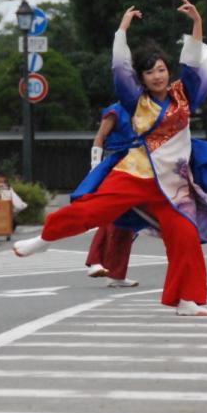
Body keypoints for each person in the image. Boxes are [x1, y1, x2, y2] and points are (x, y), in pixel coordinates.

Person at [13, 0, 207, 316]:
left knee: (185, 237)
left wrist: (196, 23)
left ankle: (185, 299)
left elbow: (192, 61)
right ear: (141, 78)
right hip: (135, 174)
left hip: (173, 183)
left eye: (161, 69)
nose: (157, 76)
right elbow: (120, 67)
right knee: (91, 209)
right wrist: (121, 31)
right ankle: (45, 237)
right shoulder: (135, 100)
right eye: (149, 72)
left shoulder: (184, 93)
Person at [83, 106, 140, 287]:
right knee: (112, 214)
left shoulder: (148, 108)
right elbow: (100, 137)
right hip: (115, 164)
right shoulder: (116, 110)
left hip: (138, 165)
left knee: (129, 220)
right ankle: (95, 261)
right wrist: (95, 166)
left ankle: (117, 274)